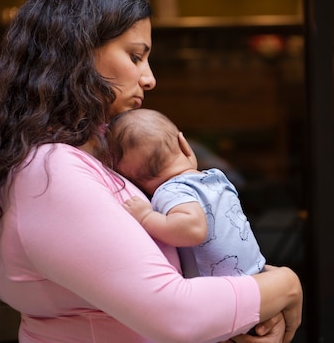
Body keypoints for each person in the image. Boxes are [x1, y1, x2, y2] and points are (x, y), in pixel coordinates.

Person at [0, 0, 302, 343]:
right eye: (136, 57)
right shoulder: (52, 170)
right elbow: (175, 314)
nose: (149, 79)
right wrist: (284, 284)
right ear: (78, 52)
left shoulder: (86, 157)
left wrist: (242, 313)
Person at [106, 108, 265, 278]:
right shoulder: (216, 178)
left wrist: (146, 217)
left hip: (225, 288)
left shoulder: (172, 191)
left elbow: (193, 229)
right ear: (184, 143)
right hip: (256, 272)